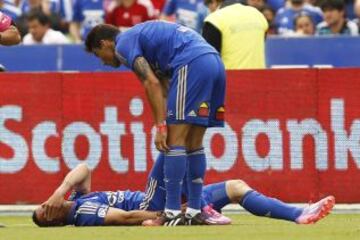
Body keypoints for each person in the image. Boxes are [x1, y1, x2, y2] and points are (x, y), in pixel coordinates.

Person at [83, 21, 226, 226]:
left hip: (192, 63)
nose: (103, 62)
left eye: (98, 55)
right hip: (214, 62)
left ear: (105, 43)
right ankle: (195, 210)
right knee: (194, 142)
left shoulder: (123, 44)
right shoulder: (146, 43)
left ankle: (172, 211)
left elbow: (151, 83)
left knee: (174, 142)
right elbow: (166, 86)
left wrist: (161, 127)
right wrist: (168, 118)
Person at [33, 162, 335, 227]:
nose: (46, 205)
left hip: (166, 201)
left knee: (236, 187)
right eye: (44, 208)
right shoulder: (82, 213)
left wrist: (60, 190)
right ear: (51, 216)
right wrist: (167, 214)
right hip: (156, 203)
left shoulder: (76, 198)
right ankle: (196, 209)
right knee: (171, 152)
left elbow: (83, 168)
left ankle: (298, 214)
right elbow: (124, 216)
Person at [203, 0, 268, 69]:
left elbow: (208, 60)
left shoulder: (214, 19)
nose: (209, 9)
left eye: (207, 5)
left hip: (230, 77)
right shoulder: (258, 15)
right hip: (259, 77)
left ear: (214, 2)